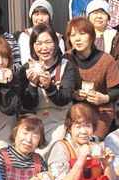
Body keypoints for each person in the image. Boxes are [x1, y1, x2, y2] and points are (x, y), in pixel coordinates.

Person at [19, 23, 76, 156]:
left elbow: (65, 98)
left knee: (53, 150)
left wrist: (49, 86)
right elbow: (27, 104)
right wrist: (32, 85)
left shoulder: (66, 65)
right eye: (38, 43)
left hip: (60, 119)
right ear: (33, 46)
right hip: (34, 120)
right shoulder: (26, 68)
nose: (44, 47)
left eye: (48, 42)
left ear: (55, 43)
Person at [66, 17, 119, 138]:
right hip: (74, 113)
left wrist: (105, 98)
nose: (77, 39)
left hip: (101, 112)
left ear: (91, 36)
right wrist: (73, 94)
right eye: (73, 35)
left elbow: (116, 89)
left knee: (94, 142)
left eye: (82, 34)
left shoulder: (106, 60)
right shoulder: (66, 59)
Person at [85, 0, 119, 76]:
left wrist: (107, 69)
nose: (99, 16)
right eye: (95, 12)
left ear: (108, 17)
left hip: (109, 79)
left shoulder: (115, 35)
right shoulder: (82, 34)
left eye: (103, 13)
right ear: (88, 16)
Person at [17, 0, 65, 64]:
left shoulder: (58, 37)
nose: (40, 18)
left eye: (44, 14)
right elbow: (24, 60)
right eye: (36, 14)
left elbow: (61, 62)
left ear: (50, 17)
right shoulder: (24, 36)